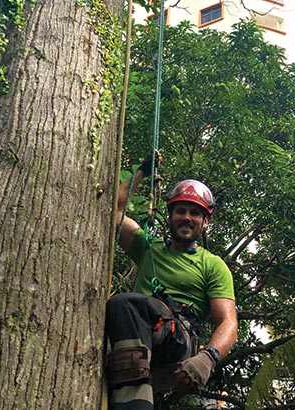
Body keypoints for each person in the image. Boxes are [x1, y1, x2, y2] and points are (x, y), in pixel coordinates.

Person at [105, 153, 238, 410]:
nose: (187, 217)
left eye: (195, 213)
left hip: (176, 339)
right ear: (170, 216)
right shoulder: (147, 248)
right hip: (138, 336)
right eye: (180, 211)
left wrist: (208, 358)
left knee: (126, 305)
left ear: (205, 222)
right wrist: (142, 171)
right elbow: (113, 211)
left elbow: (228, 322)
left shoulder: (212, 265)